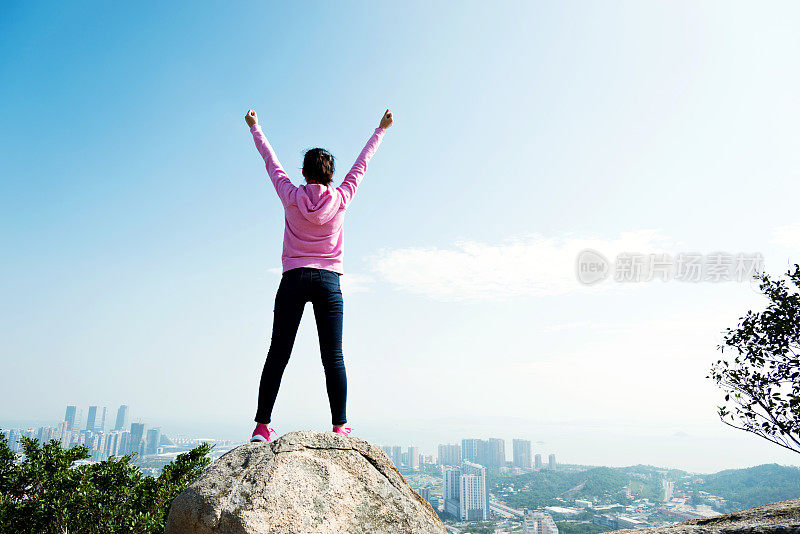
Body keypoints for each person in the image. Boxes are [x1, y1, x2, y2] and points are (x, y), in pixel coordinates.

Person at [245, 108, 393, 442]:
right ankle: (340, 425)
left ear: (303, 172)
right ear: (329, 175)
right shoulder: (341, 197)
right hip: (329, 282)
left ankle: (261, 426)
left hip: (294, 278)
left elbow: (269, 160)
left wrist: (256, 127)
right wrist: (380, 130)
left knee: (278, 352)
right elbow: (362, 164)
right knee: (333, 356)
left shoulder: (290, 195)